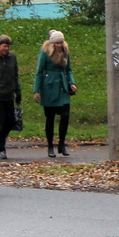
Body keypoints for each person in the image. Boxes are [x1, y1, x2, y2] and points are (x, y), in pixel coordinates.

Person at [33, 29, 77, 158]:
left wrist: (72, 83)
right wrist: (37, 90)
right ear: (52, 44)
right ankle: (50, 146)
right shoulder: (45, 53)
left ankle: (62, 144)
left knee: (65, 115)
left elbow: (68, 70)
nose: (59, 45)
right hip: (49, 87)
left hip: (62, 86)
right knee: (50, 118)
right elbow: (39, 72)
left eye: (61, 42)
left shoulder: (65, 52)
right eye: (57, 43)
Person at [0, 34, 22, 159]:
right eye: (4, 46)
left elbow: (15, 74)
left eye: (8, 46)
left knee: (11, 121)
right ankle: (0, 148)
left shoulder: (12, 58)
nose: (6, 49)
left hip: (9, 94)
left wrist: (18, 92)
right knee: (0, 122)